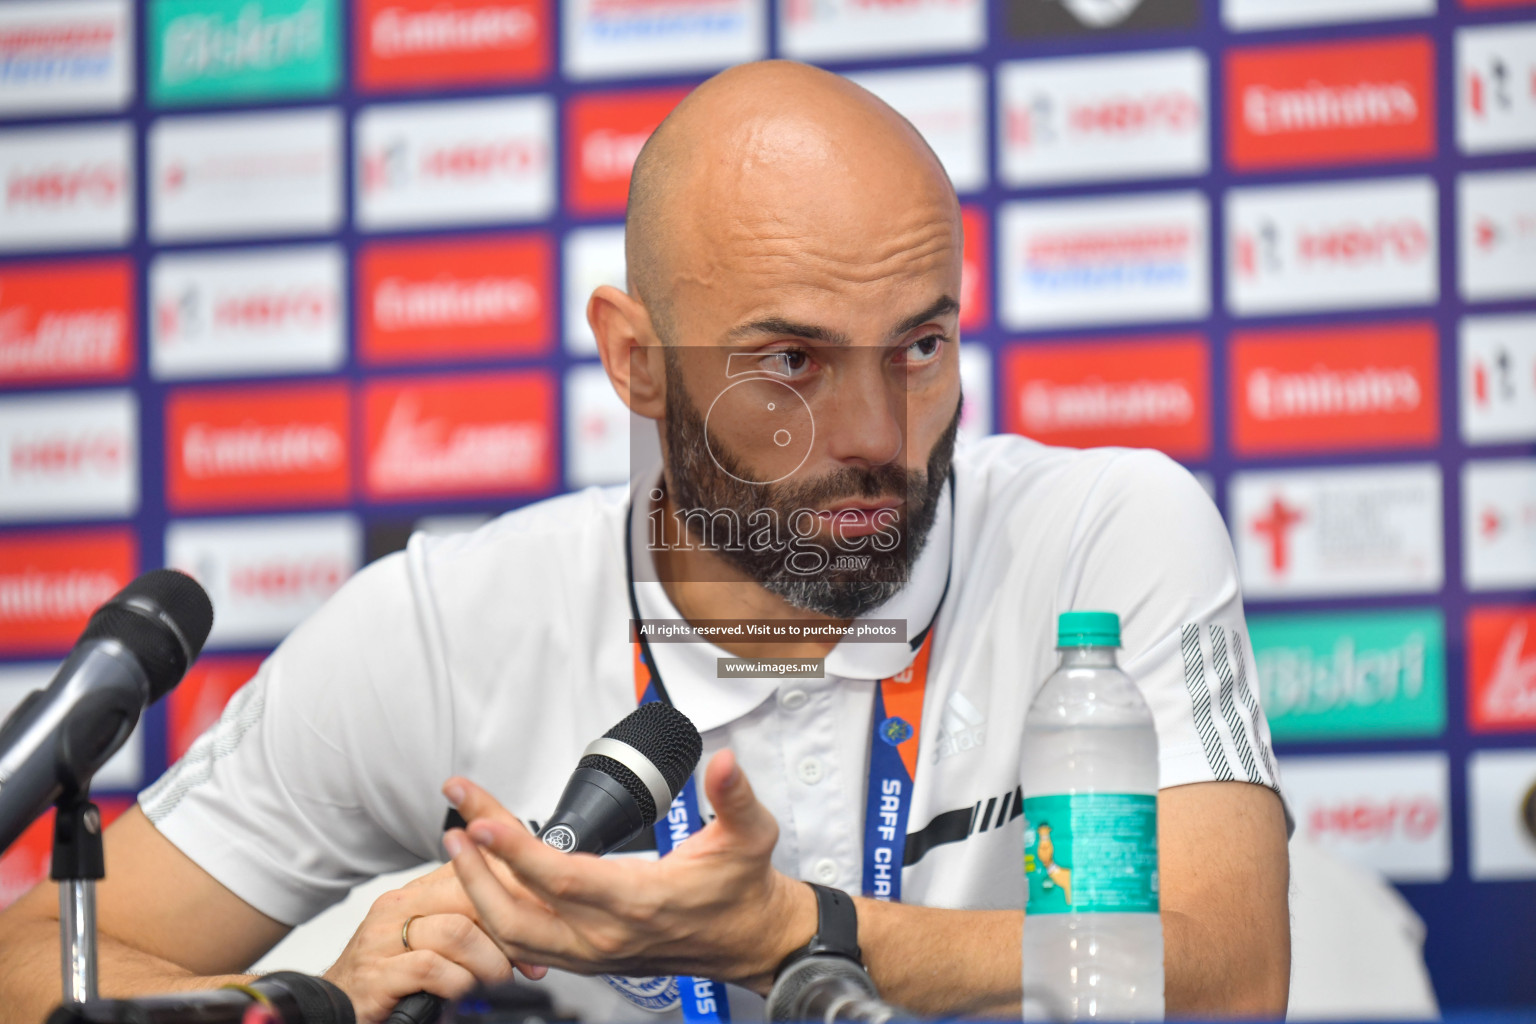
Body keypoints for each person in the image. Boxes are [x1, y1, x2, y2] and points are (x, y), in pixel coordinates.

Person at [0, 61, 1290, 1024]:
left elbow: (1231, 970)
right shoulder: (453, 624)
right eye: (790, 360)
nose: (878, 432)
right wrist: (302, 1002)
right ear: (637, 360)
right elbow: (27, 968)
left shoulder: (1106, 536)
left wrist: (802, 934)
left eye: (921, 343)